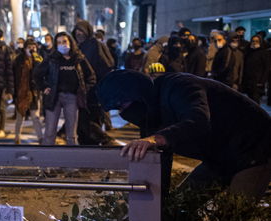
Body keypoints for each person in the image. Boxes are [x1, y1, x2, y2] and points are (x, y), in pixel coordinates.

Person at [97, 70, 271, 202]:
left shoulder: (180, 86)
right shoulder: (149, 116)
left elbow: (198, 121)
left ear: (138, 94)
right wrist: (159, 203)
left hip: (253, 151)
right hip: (217, 159)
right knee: (179, 207)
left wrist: (158, 138)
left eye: (122, 105)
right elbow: (161, 162)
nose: (122, 112)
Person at [35, 32, 95, 146]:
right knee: (50, 132)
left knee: (72, 134)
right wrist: (44, 88)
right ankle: (46, 161)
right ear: (56, 45)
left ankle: (71, 162)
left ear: (70, 43)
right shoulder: (51, 59)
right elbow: (37, 74)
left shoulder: (78, 58)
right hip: (54, 97)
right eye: (59, 42)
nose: (62, 45)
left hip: (72, 97)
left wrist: (84, 89)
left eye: (65, 42)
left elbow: (91, 76)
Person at [72, 19, 117, 146]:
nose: (79, 34)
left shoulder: (97, 45)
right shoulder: (78, 47)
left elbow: (107, 66)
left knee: (91, 123)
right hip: (82, 94)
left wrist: (96, 83)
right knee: (82, 126)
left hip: (94, 93)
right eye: (76, 31)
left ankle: (106, 142)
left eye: (81, 30)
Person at [13, 39, 44, 145]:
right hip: (21, 92)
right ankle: (17, 138)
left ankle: (40, 138)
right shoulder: (19, 60)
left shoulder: (39, 59)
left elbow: (41, 73)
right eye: (29, 47)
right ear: (25, 48)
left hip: (34, 93)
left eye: (33, 47)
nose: (32, 49)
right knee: (20, 116)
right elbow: (14, 76)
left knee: (35, 117)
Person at [242, 34, 270, 104]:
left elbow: (266, 68)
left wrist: (262, 81)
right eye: (253, 41)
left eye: (256, 41)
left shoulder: (264, 53)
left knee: (255, 101)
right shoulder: (248, 52)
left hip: (257, 82)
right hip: (248, 81)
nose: (254, 43)